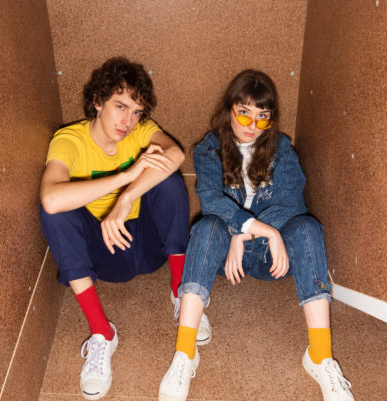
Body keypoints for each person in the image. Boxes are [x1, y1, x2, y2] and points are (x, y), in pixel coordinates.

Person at [158, 70, 354, 401]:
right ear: (229, 110)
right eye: (244, 113)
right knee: (206, 227)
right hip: (225, 256)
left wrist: (247, 235)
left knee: (308, 227)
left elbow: (290, 204)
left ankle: (320, 357)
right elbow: (212, 200)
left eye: (263, 116)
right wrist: (245, 232)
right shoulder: (208, 150)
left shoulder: (283, 150)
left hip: (270, 258)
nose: (252, 125)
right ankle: (184, 352)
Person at [40, 57, 210, 400]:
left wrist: (127, 198)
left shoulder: (141, 131)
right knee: (55, 212)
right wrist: (125, 177)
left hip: (147, 245)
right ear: (97, 101)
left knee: (168, 179)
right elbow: (51, 199)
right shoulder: (69, 140)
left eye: (136, 112)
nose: (128, 121)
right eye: (120, 107)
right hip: (104, 253)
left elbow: (176, 154)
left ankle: (182, 291)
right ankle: (102, 333)